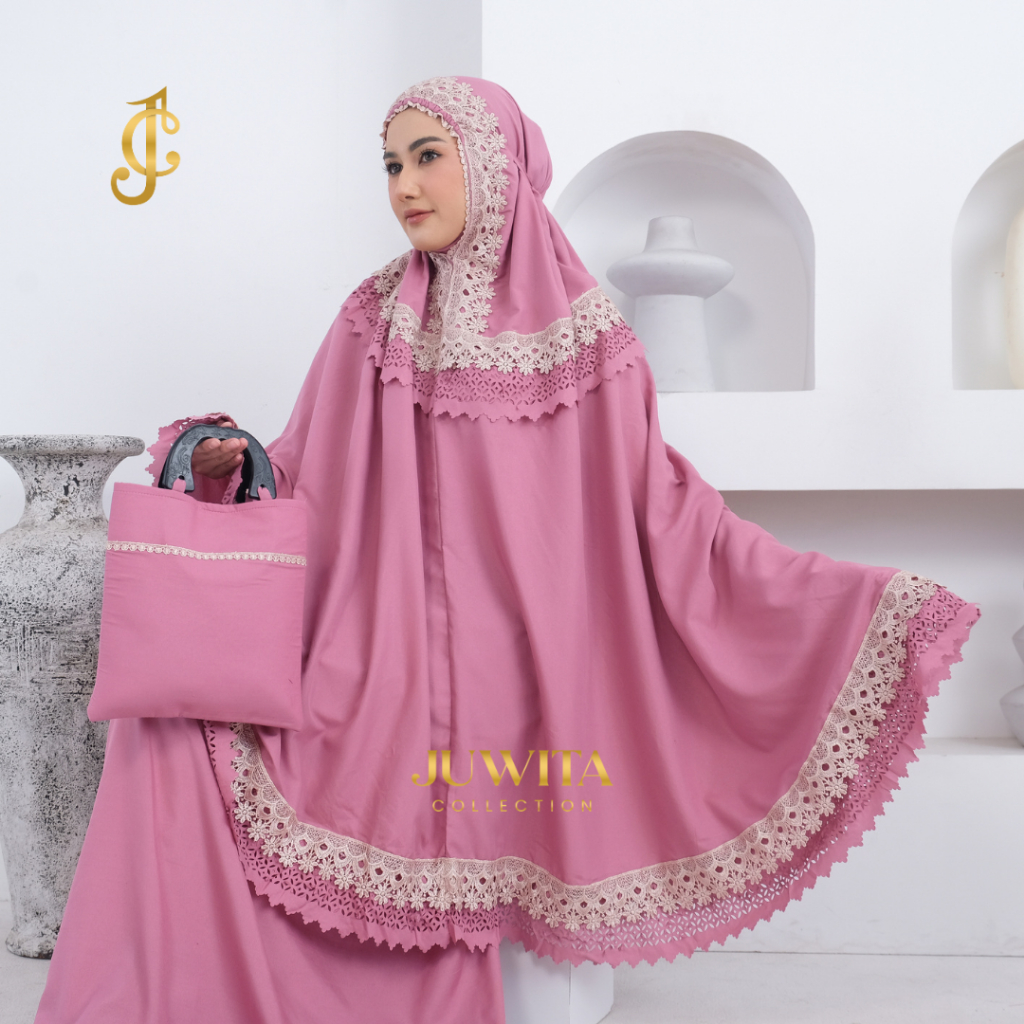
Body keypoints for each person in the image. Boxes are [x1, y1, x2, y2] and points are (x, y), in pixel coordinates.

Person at [35, 77, 978, 1024]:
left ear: (495, 165)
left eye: (428, 157)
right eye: (391, 164)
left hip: (547, 668)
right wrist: (225, 463)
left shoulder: (591, 338)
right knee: (174, 717)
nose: (405, 185)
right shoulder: (372, 318)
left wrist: (845, 599)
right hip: (388, 653)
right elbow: (303, 471)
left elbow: (662, 509)